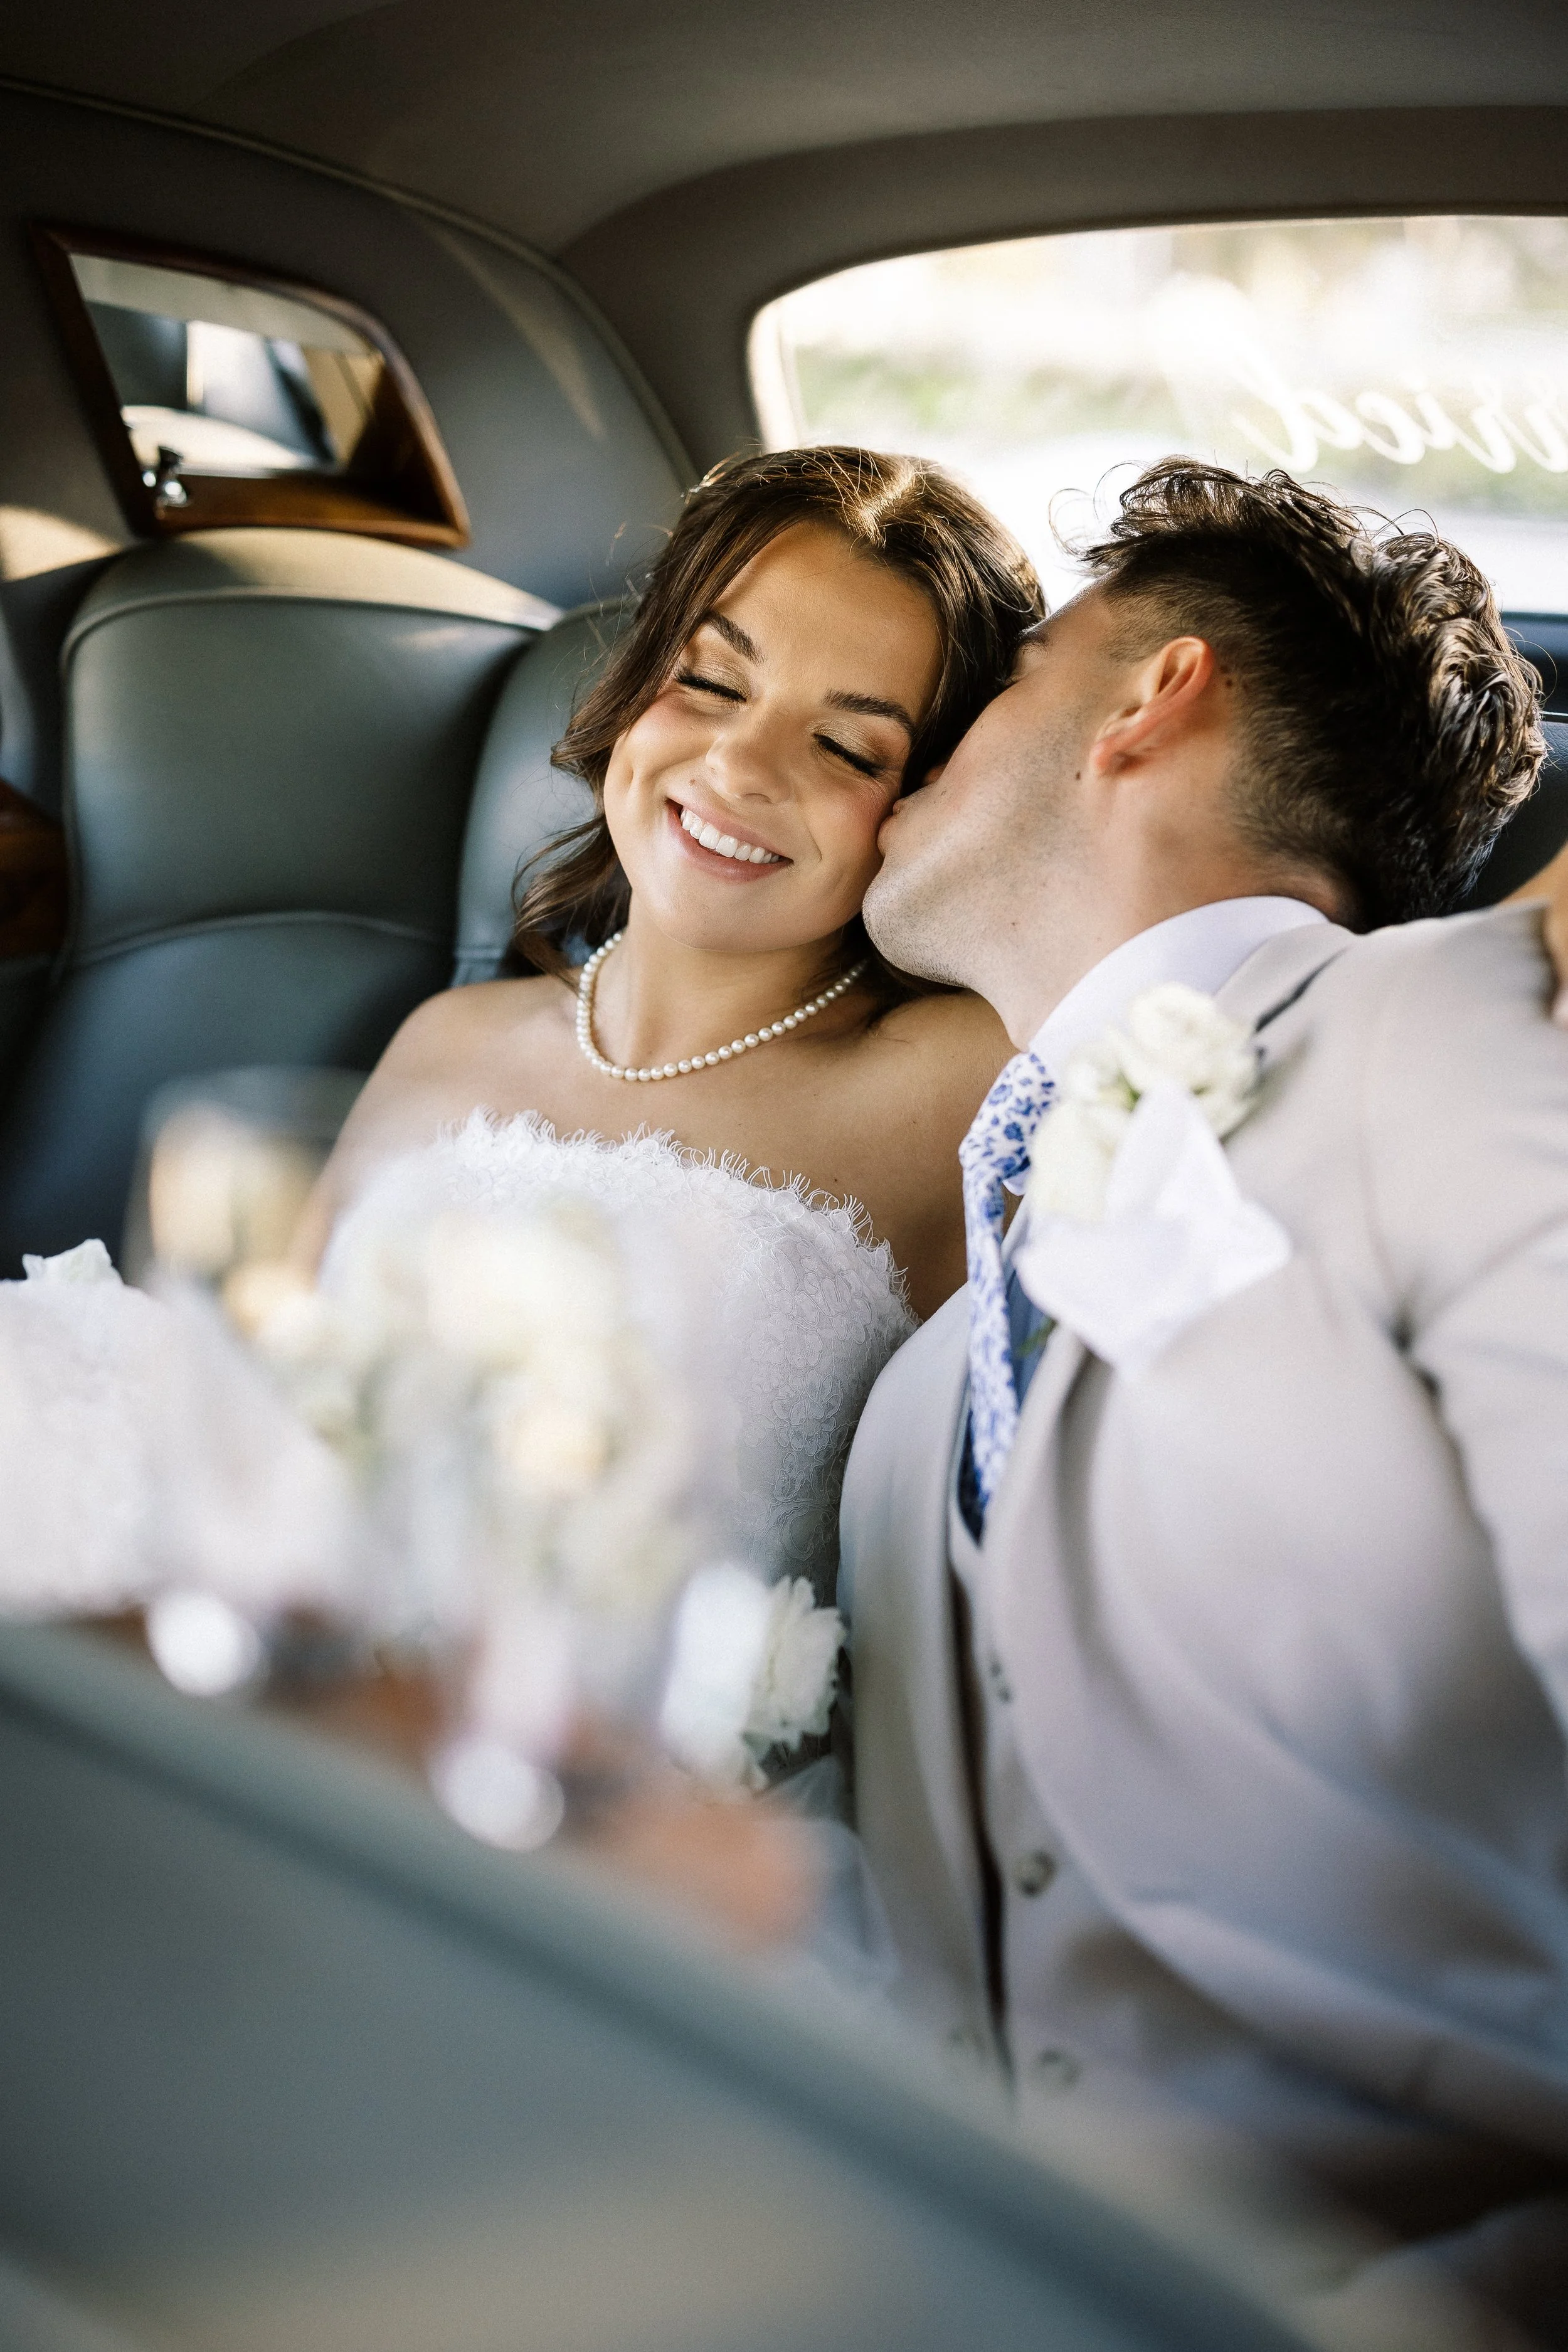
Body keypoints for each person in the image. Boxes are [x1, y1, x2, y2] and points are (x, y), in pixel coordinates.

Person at [842, 457, 1568, 2335]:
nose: (913, 763)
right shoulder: (914, 1393)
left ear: (1152, 694)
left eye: (996, 683)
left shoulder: (1451, 1029)